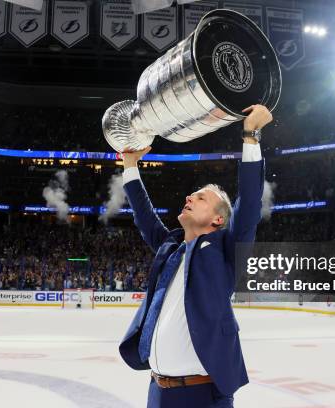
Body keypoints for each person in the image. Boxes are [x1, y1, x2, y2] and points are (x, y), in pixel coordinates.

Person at [118, 105, 273, 408]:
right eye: (192, 195)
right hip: (157, 391)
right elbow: (144, 216)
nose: (189, 197)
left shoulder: (226, 251)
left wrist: (251, 136)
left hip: (201, 396)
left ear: (217, 220)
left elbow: (250, 206)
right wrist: (130, 165)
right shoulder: (170, 248)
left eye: (200, 198)